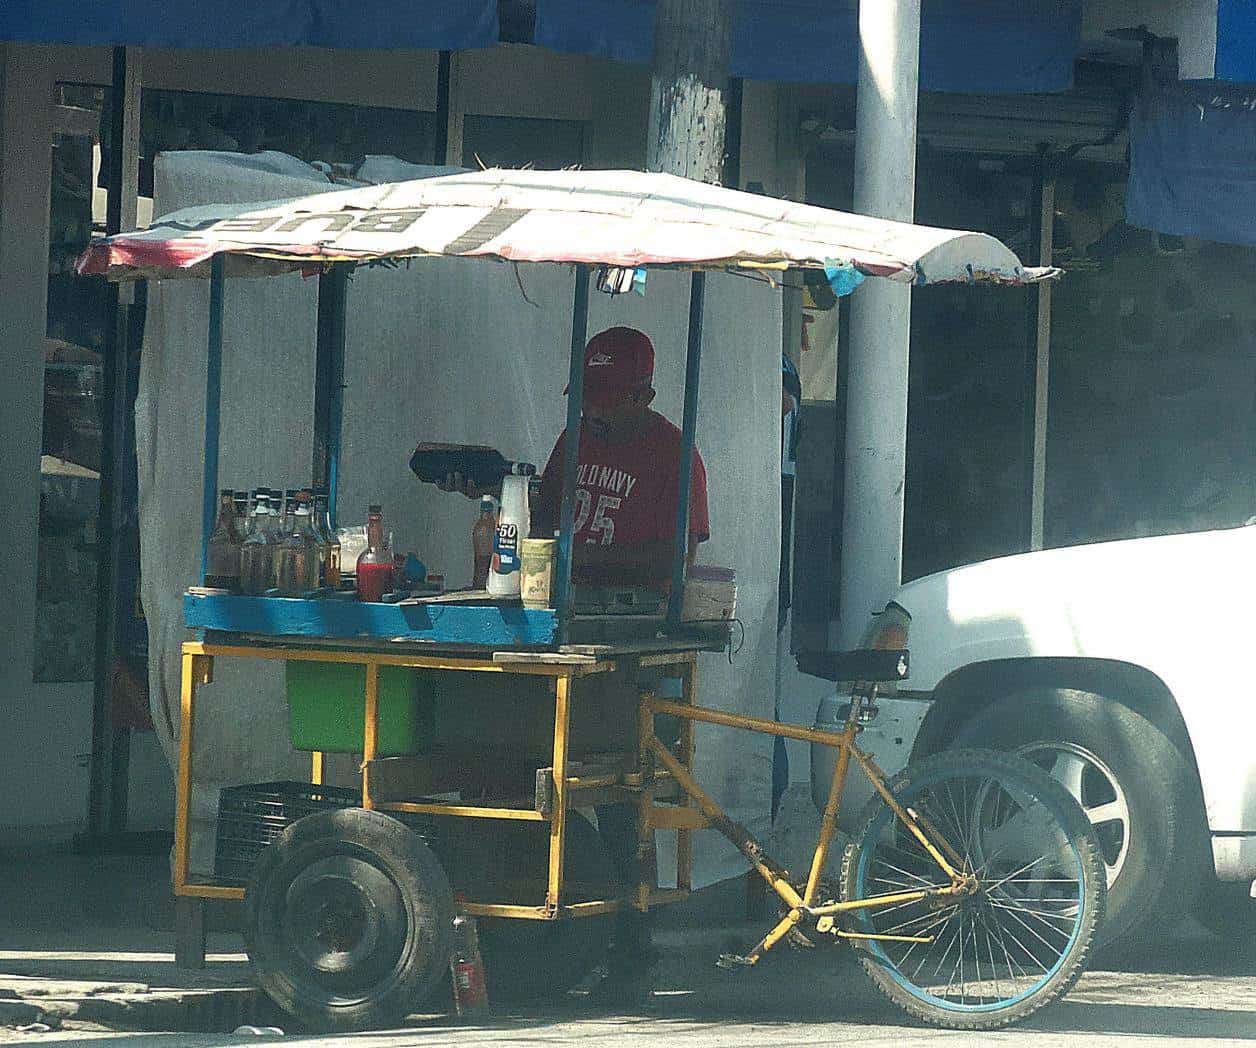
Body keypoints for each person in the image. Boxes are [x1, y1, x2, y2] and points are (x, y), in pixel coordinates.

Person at [441, 325, 710, 997]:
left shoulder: (677, 456)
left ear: (645, 394)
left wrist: (577, 558)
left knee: (618, 790)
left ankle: (630, 941)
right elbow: (541, 517)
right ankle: (520, 925)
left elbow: (673, 562)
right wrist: (490, 489)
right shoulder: (575, 437)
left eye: (608, 399)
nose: (593, 411)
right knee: (512, 763)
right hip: (557, 627)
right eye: (588, 397)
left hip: (629, 641)